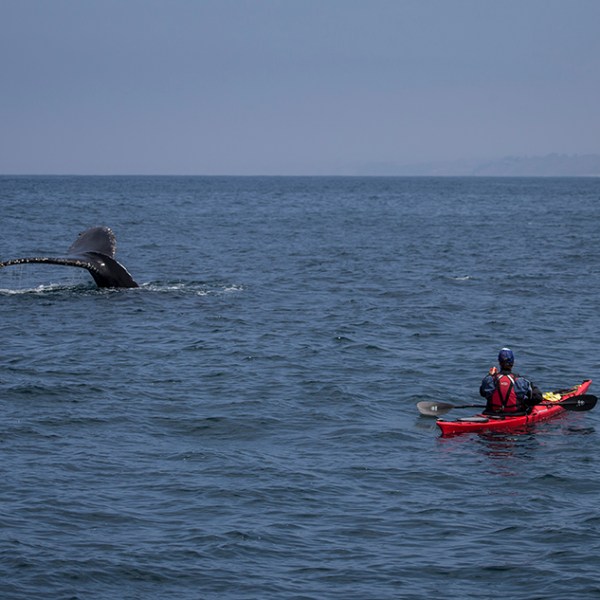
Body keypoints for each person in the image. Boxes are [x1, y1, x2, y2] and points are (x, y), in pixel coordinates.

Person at [480, 348, 543, 415]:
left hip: (492, 413)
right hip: (516, 414)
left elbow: (482, 393)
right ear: (513, 363)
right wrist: (526, 402)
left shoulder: (489, 379)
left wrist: (489, 375)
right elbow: (538, 398)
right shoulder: (520, 381)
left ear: (499, 362)